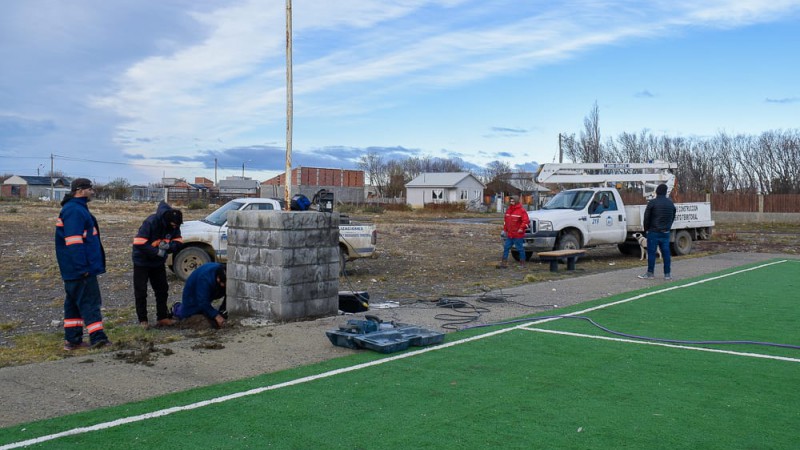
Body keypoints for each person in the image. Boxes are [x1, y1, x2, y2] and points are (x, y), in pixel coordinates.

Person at [55, 178, 112, 350]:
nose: (93, 192)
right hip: (80, 269)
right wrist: (83, 267)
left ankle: (72, 340)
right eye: (90, 189)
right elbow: (74, 241)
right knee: (90, 302)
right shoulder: (75, 211)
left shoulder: (74, 209)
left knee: (73, 303)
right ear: (80, 190)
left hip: (72, 269)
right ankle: (98, 338)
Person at [132, 201, 183, 328]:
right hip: (141, 262)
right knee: (141, 291)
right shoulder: (151, 222)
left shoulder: (175, 225)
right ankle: (143, 320)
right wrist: (156, 252)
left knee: (162, 289)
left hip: (158, 263)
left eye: (176, 225)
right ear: (166, 221)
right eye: (172, 225)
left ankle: (162, 317)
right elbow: (139, 242)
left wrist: (169, 246)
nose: (174, 227)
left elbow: (178, 241)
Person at [638, 184, 677, 280]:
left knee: (651, 253)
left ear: (657, 192)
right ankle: (667, 274)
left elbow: (646, 217)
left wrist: (646, 229)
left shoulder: (652, 203)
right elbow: (672, 216)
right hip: (665, 232)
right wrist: (668, 227)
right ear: (665, 192)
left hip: (653, 232)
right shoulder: (670, 203)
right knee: (666, 253)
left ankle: (650, 273)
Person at [173, 263, 227, 328]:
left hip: (210, 287)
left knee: (208, 311)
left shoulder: (224, 271)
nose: (224, 285)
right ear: (218, 278)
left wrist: (222, 312)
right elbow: (203, 301)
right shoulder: (204, 279)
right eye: (223, 283)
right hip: (192, 292)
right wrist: (217, 316)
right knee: (188, 313)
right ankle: (176, 308)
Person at [499, 195, 530, 268]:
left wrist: (521, 228)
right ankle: (504, 263)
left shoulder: (522, 211)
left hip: (518, 234)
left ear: (516, 201)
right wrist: (505, 230)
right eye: (510, 201)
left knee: (520, 249)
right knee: (506, 247)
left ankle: (522, 263)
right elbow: (506, 221)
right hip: (510, 234)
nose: (511, 202)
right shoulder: (508, 210)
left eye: (513, 201)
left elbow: (526, 221)